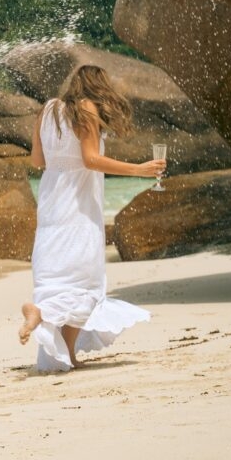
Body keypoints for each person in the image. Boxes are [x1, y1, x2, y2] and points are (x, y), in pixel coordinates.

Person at [18, 64, 165, 371]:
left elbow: (36, 160)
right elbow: (91, 159)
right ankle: (42, 314)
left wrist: (62, 160)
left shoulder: (47, 110)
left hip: (51, 204)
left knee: (57, 275)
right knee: (86, 281)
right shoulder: (85, 109)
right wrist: (138, 170)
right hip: (78, 206)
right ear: (97, 87)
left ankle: (60, 343)